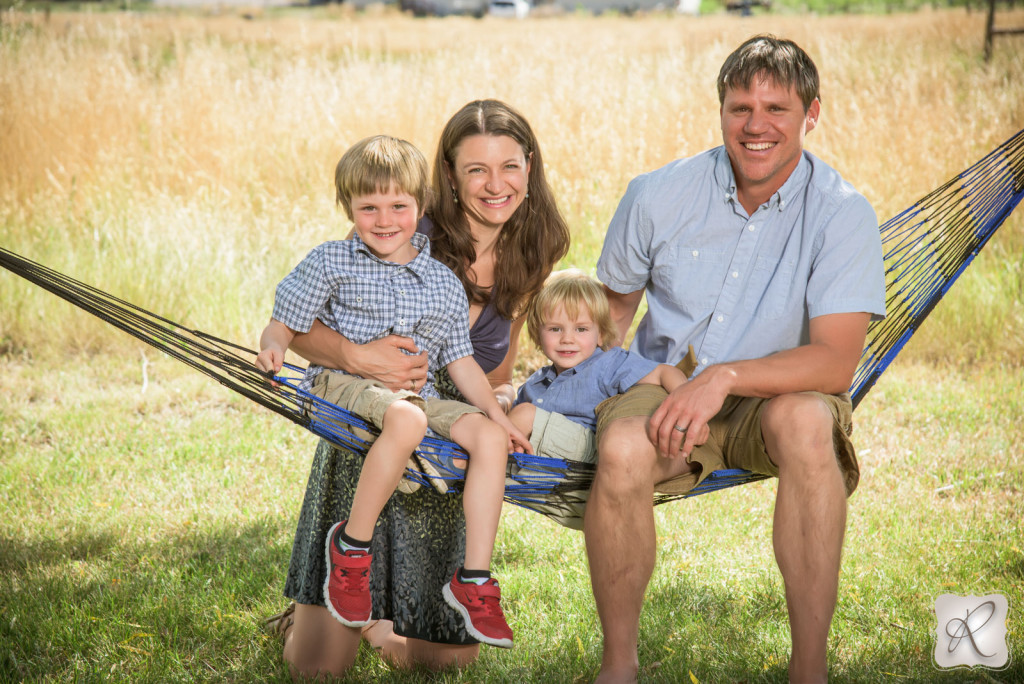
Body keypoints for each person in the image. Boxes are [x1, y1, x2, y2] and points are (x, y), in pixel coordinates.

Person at [586, 35, 886, 683]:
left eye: (776, 108)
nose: (755, 125)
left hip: (775, 397)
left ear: (812, 114)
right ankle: (619, 666)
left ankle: (809, 669)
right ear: (720, 110)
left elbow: (835, 365)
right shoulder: (655, 195)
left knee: (807, 422)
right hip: (663, 386)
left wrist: (722, 379)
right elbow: (604, 326)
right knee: (621, 449)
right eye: (739, 106)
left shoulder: (842, 214)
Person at [265, 101, 570, 678]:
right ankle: (317, 604)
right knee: (318, 669)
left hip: (445, 428)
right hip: (373, 422)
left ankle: (383, 621)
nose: (495, 184)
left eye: (509, 166)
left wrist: (498, 405)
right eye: (475, 169)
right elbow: (305, 323)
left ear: (529, 168)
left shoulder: (536, 242)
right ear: (448, 177)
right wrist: (358, 356)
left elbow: (491, 365)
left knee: (448, 661)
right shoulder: (403, 225)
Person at [506, 270, 688, 530]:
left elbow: (664, 372)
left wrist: (686, 413)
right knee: (507, 419)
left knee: (522, 415)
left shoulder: (607, 363)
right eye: (555, 329)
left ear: (601, 334)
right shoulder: (536, 384)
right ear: (537, 334)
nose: (567, 338)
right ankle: (482, 461)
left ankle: (473, 462)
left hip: (592, 459)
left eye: (581, 329)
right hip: (549, 469)